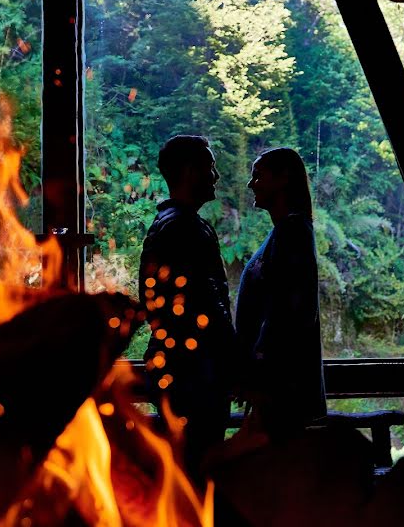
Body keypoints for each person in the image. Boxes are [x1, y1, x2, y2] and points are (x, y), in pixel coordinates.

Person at [139, 135, 237, 483]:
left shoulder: (163, 225)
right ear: (190, 171)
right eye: (209, 167)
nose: (216, 175)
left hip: (175, 368)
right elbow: (207, 306)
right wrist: (233, 362)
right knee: (199, 470)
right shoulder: (187, 228)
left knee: (183, 469)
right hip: (196, 375)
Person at [235, 147, 326, 440]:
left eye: (258, 175)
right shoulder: (284, 233)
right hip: (276, 386)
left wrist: (259, 371)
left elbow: (290, 313)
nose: (252, 184)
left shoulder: (293, 233)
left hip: (281, 389)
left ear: (283, 178)